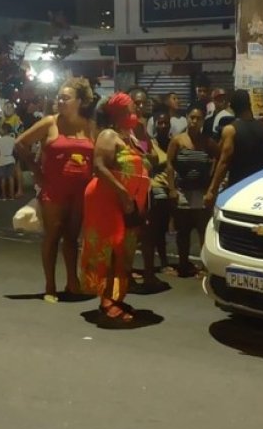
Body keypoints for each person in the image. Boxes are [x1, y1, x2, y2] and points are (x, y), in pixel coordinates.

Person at [16, 78, 95, 301]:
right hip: (54, 188)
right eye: (59, 98)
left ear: (80, 101)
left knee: (72, 236)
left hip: (81, 190)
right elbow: (21, 143)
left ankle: (72, 281)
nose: (60, 102)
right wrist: (36, 172)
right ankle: (50, 285)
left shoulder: (89, 125)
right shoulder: (50, 122)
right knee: (53, 234)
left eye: (66, 98)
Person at [80, 93, 150, 324]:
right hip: (107, 199)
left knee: (124, 249)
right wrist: (123, 193)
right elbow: (99, 167)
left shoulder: (129, 137)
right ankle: (106, 302)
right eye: (131, 109)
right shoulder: (108, 136)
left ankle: (115, 296)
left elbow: (150, 158)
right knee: (111, 248)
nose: (135, 112)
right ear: (117, 113)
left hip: (126, 202)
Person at [167, 105, 217, 278]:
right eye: (192, 117)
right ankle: (183, 265)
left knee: (203, 230)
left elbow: (219, 158)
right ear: (187, 118)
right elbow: (169, 164)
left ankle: (204, 267)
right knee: (183, 231)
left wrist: (212, 185)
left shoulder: (207, 142)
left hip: (201, 191)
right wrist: (172, 189)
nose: (195, 121)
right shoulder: (178, 140)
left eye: (198, 118)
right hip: (183, 191)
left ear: (203, 120)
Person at [204, 89, 263, 209]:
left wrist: (212, 190)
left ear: (233, 107)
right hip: (259, 187)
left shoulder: (230, 130)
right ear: (249, 104)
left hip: (237, 187)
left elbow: (224, 162)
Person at [141, 108, 174, 283]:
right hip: (155, 189)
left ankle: (163, 261)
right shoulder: (150, 144)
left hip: (171, 189)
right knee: (154, 229)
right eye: (160, 123)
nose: (163, 126)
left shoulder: (173, 142)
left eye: (166, 123)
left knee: (165, 228)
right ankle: (157, 264)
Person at [0, 121, 19, 201]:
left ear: (3, 130)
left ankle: (4, 196)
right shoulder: (13, 139)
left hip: (2, 159)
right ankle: (12, 196)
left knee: (3, 179)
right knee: (11, 178)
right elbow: (15, 150)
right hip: (11, 159)